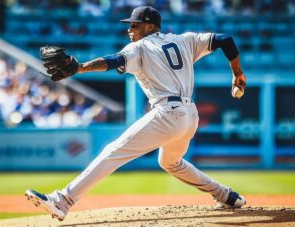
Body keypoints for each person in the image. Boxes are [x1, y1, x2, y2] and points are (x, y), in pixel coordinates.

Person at [25, 6, 247, 221]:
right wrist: (237, 73)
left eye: (135, 25)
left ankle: (63, 200)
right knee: (171, 163)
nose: (129, 29)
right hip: (190, 116)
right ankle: (226, 195)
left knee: (114, 151)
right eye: (129, 25)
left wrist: (79, 67)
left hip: (168, 114)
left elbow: (114, 61)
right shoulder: (185, 40)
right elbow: (225, 40)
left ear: (150, 27)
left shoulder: (140, 47)